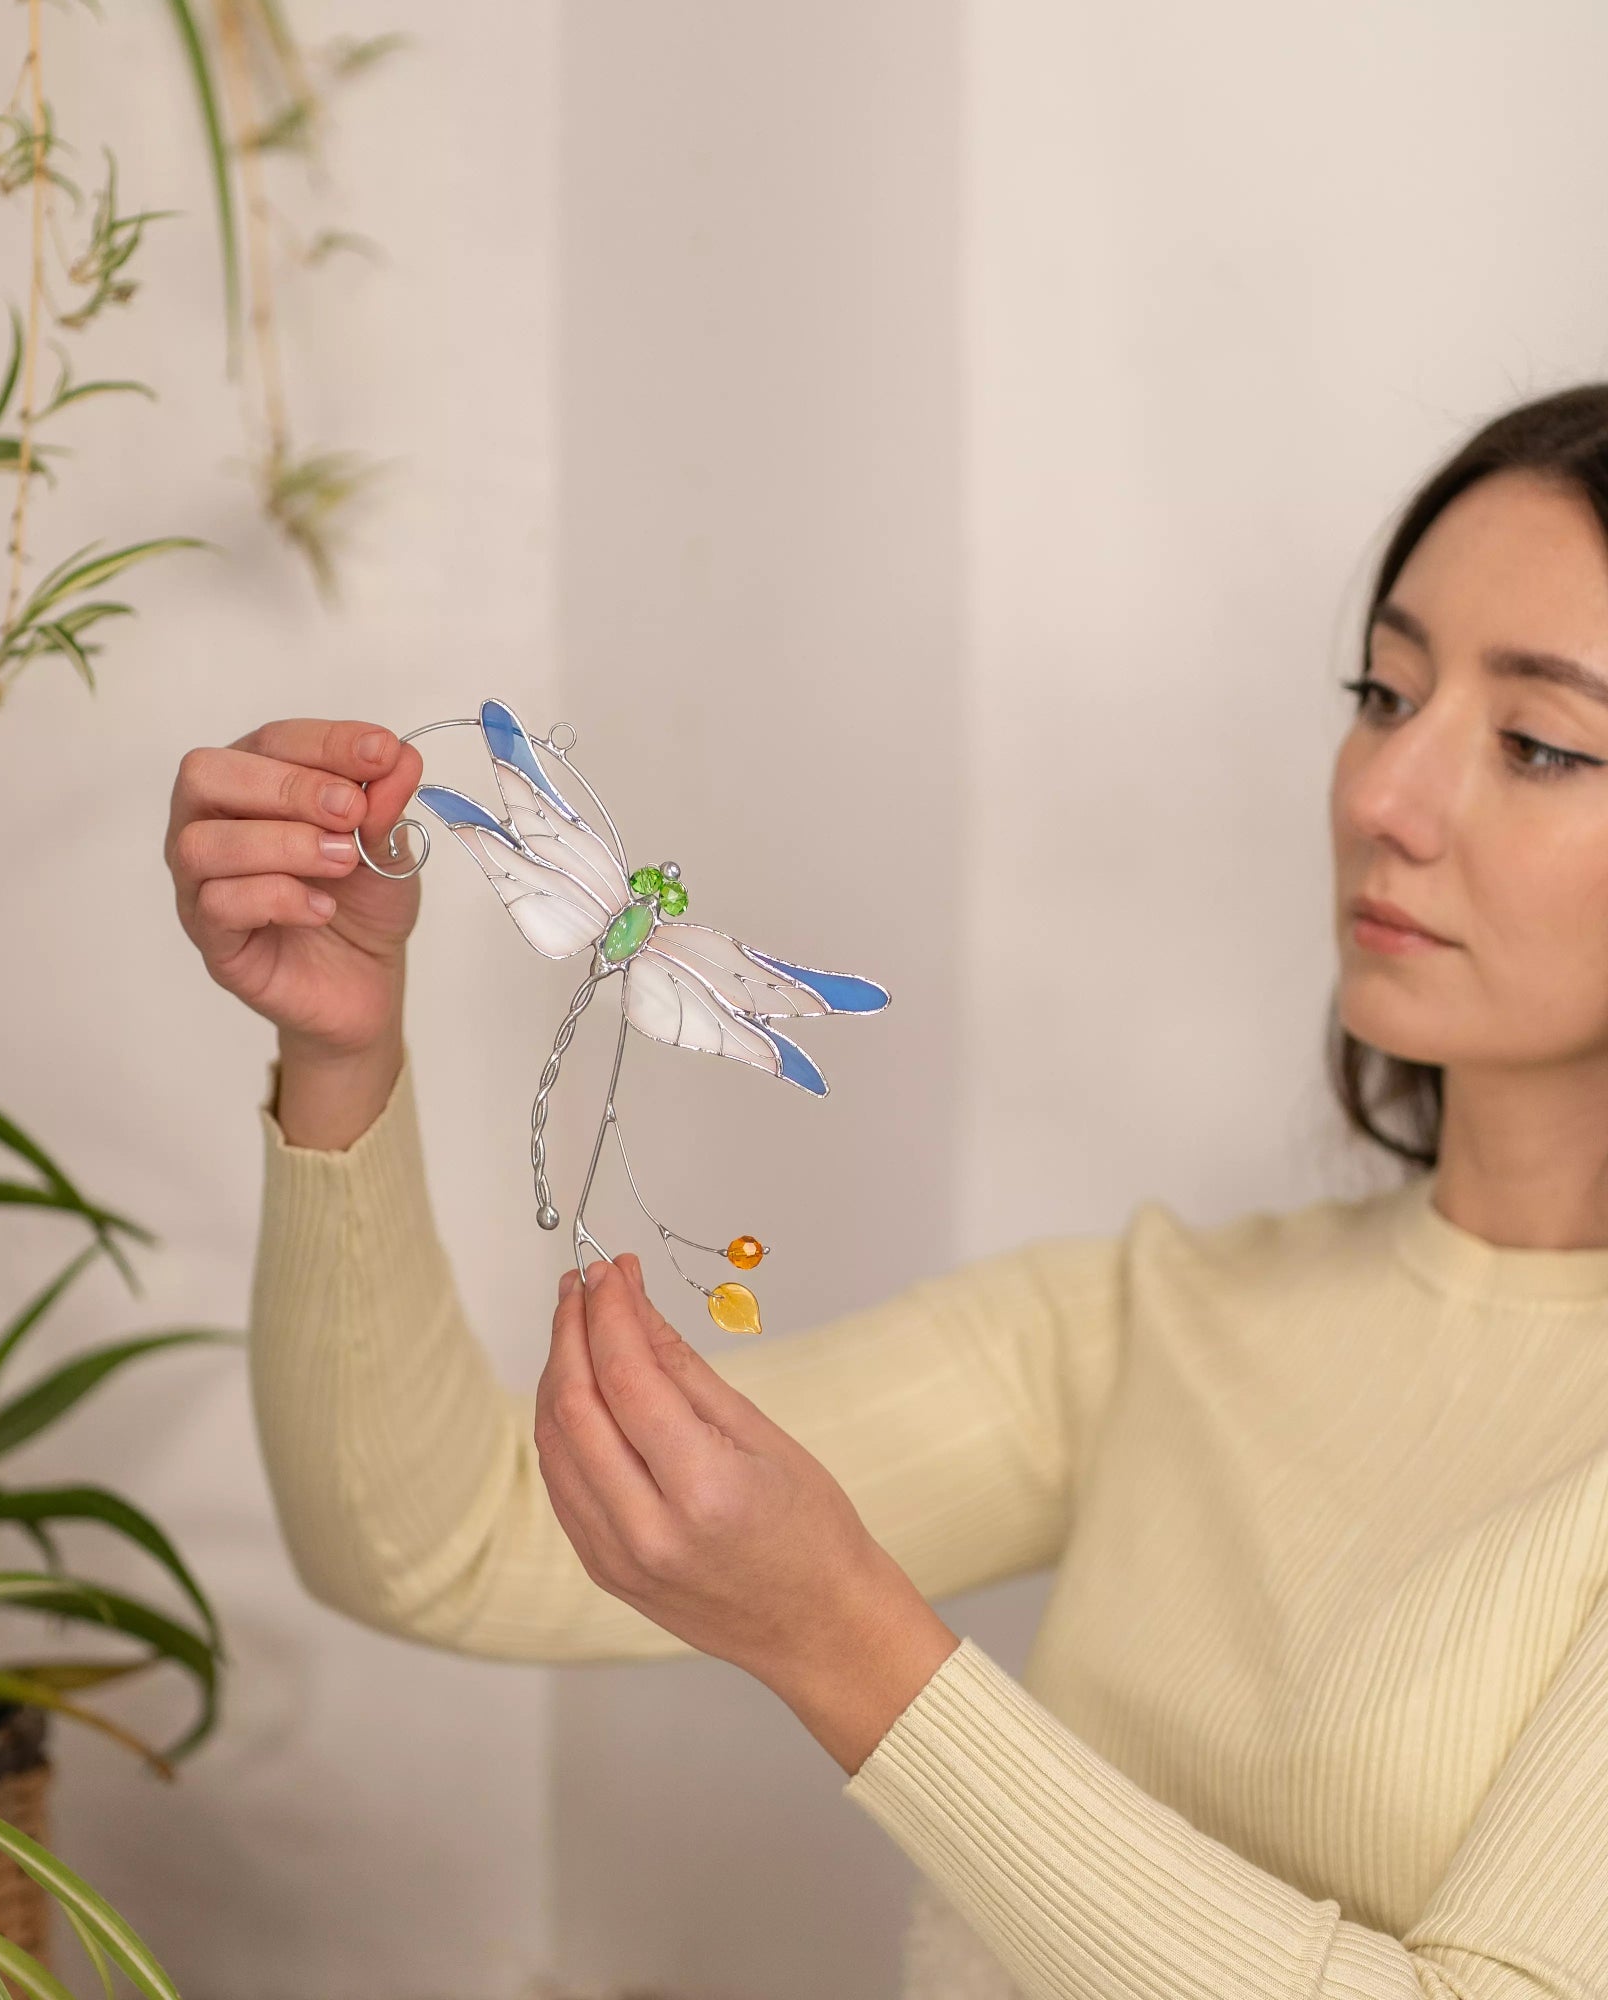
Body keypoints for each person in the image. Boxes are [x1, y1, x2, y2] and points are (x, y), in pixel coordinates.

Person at [165, 383, 1608, 2000]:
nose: (1383, 798)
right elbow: (441, 1541)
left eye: (1541, 744)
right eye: (1384, 693)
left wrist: (847, 1642)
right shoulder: (1161, 1325)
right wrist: (341, 1061)